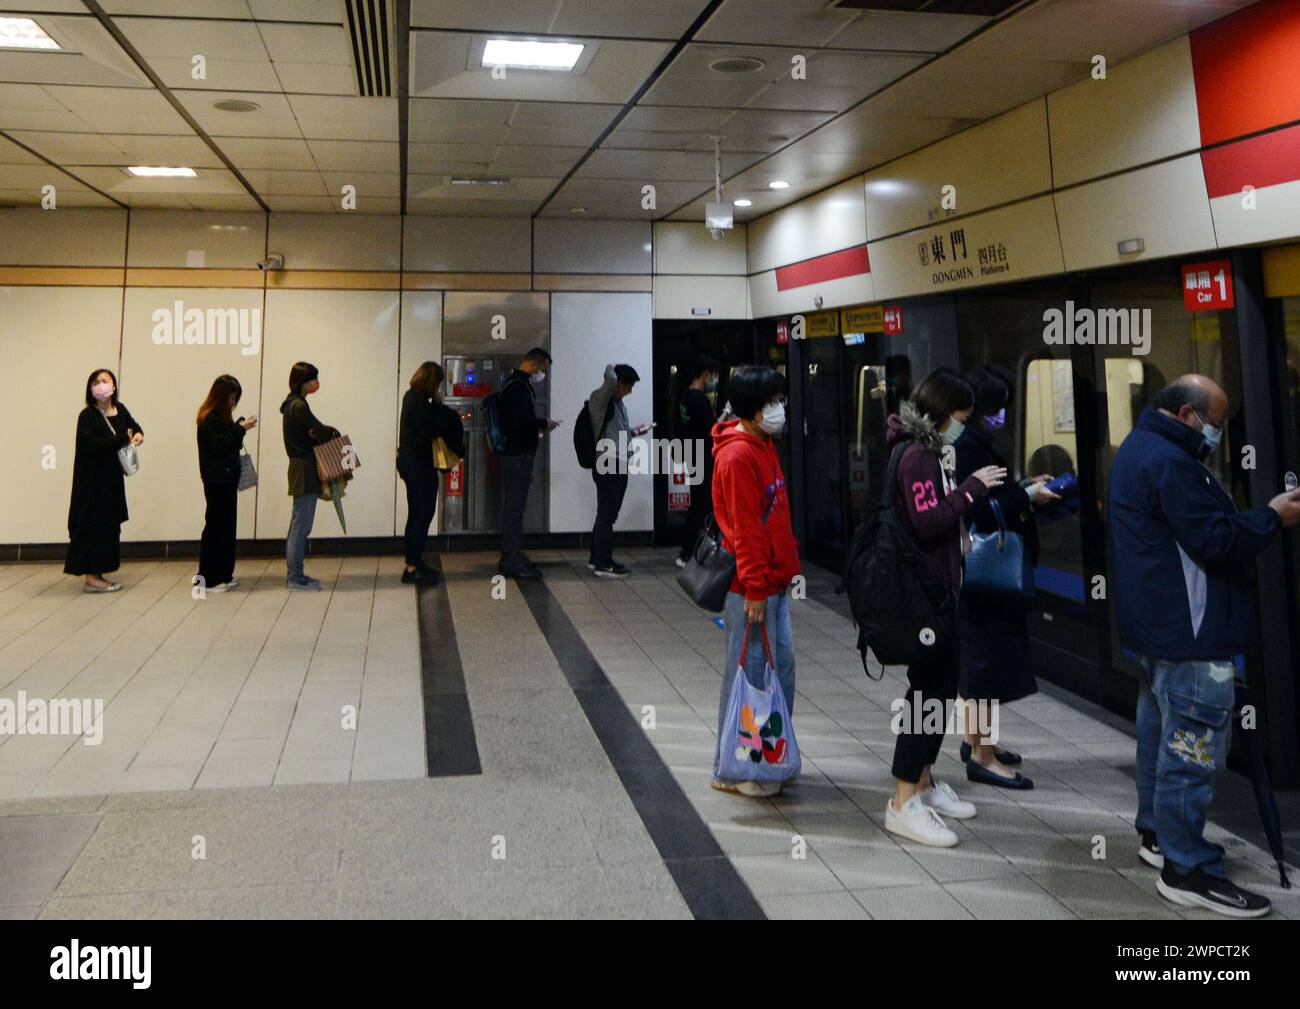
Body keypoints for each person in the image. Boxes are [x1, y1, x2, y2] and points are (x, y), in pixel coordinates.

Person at [1109, 374, 1300, 917]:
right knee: (1192, 754)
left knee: (1157, 738)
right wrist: (1272, 517)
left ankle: (1157, 836)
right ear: (1188, 415)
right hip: (1190, 635)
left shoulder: (1139, 448)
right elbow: (1214, 539)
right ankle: (1187, 869)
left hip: (1156, 631)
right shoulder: (1171, 463)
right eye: (1215, 424)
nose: (1218, 433)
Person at [884, 367, 1005, 847]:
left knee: (936, 689)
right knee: (927, 695)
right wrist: (972, 488)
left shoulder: (924, 449)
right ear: (940, 413)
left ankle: (925, 784)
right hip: (926, 597)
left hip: (937, 591)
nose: (963, 424)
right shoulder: (915, 455)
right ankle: (902, 800)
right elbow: (929, 520)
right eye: (959, 416)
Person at [954, 366, 1058, 789]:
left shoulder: (970, 443)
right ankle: (981, 755)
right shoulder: (968, 447)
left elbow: (989, 495)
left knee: (983, 660)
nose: (1000, 415)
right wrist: (1028, 496)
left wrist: (1021, 487)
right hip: (984, 575)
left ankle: (980, 741)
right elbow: (977, 505)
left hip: (979, 576)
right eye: (995, 408)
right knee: (985, 663)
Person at [709, 366, 801, 798]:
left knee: (778, 669)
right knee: (748, 672)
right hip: (751, 588)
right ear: (749, 408)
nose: (778, 410)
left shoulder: (764, 446)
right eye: (770, 403)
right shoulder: (737, 456)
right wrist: (757, 589)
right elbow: (745, 530)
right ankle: (734, 767)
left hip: (773, 583)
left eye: (779, 400)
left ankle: (768, 753)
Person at [65, 368, 144, 593]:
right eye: (96, 382)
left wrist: (138, 434)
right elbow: (91, 446)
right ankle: (92, 577)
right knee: (93, 527)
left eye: (105, 380)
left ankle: (101, 571)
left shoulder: (121, 410)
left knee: (109, 527)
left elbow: (134, 427)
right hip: (92, 484)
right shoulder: (87, 416)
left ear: (114, 385)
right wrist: (122, 439)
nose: (101, 385)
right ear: (90, 389)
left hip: (112, 482)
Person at [397, 361, 463, 585]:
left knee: (419, 513)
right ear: (431, 382)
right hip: (418, 464)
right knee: (420, 514)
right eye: (438, 384)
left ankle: (415, 560)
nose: (439, 388)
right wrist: (437, 406)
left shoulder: (412, 397)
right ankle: (412, 567)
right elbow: (430, 431)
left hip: (413, 462)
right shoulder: (418, 401)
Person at [498, 347, 559, 580]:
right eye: (542, 368)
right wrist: (544, 422)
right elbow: (521, 422)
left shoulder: (517, 384)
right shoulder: (518, 387)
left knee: (515, 508)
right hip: (517, 455)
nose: (541, 373)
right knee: (514, 509)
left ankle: (512, 554)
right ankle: (511, 559)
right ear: (534, 363)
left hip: (517, 455)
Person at [280, 362, 339, 592]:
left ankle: (296, 574)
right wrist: (329, 432)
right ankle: (295, 577)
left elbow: (314, 431)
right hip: (304, 467)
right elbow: (320, 431)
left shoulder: (290, 405)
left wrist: (318, 432)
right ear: (302, 382)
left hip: (300, 466)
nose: (316, 384)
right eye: (312, 379)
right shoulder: (299, 406)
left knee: (299, 523)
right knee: (301, 525)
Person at [196, 375, 256, 592]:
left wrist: (238, 427)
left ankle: (223, 572)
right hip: (216, 480)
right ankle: (209, 578)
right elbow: (221, 446)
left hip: (226, 479)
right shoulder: (208, 419)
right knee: (216, 526)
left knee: (226, 526)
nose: (233, 403)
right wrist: (241, 429)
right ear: (222, 397)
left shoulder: (221, 417)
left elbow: (229, 442)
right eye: (232, 398)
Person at [587, 363, 645, 578]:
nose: (630, 391)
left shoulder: (619, 404)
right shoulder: (601, 399)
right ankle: (604, 564)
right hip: (608, 463)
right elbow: (610, 379)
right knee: (607, 515)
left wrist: (634, 432)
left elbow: (617, 432)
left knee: (605, 513)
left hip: (617, 462)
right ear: (618, 384)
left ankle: (597, 559)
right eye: (628, 386)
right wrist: (611, 367)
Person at [676, 355, 721, 568]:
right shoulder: (700, 399)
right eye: (712, 376)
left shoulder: (684, 396)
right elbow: (713, 428)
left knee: (697, 502)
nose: (712, 379)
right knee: (701, 504)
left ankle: (688, 551)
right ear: (705, 375)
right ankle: (690, 552)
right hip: (702, 454)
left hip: (690, 453)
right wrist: (727, 414)